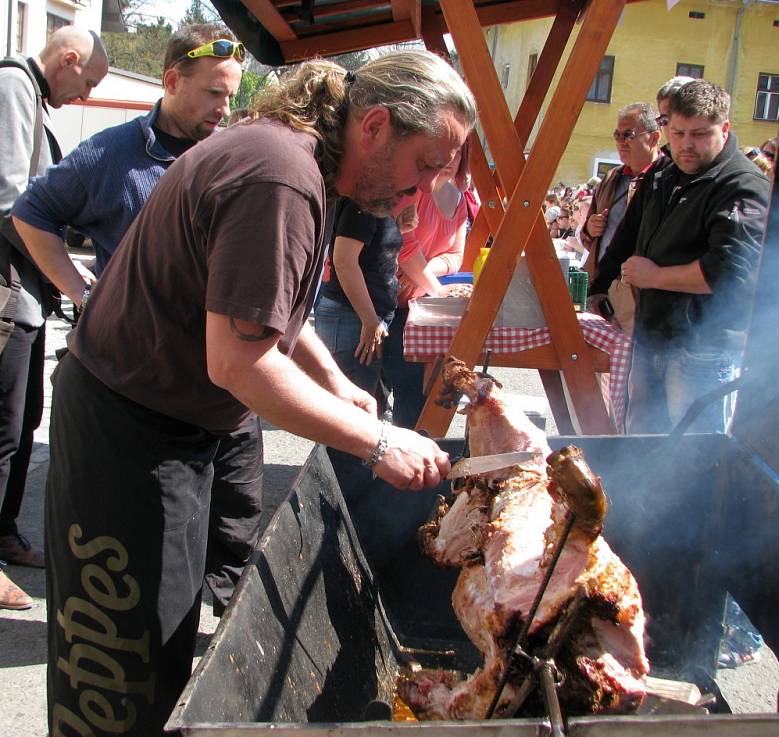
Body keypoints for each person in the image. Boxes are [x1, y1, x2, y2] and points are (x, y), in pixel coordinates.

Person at [19, 50, 474, 736]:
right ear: (374, 126)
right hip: (128, 436)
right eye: (427, 163)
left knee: (161, 656)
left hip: (173, 425)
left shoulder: (303, 165)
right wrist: (378, 439)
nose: (426, 188)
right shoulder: (281, 178)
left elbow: (265, 307)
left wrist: (335, 383)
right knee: (119, 683)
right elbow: (241, 363)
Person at [12, 25, 260, 618]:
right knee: (156, 531)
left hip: (226, 376)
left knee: (235, 519)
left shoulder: (225, 152)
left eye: (231, 96)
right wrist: (77, 288)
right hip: (142, 384)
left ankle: (226, 649)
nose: (222, 110)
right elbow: (30, 211)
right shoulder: (112, 153)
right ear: (172, 80)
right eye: (212, 94)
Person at [587, 80, 769, 434]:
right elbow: (628, 233)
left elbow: (730, 273)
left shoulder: (742, 185)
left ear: (724, 129)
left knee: (695, 453)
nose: (686, 144)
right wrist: (599, 286)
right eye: (679, 132)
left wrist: (654, 277)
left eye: (699, 134)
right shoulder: (664, 174)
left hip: (703, 348)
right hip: (652, 335)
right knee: (642, 442)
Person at [0, 27, 108, 610]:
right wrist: (69, 272)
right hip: (7, 296)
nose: (87, 96)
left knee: (22, 426)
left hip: (26, 296)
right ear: (67, 60)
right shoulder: (12, 86)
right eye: (87, 83)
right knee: (2, 426)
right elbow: (13, 203)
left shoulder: (32, 97)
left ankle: (6, 534)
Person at [382, 144, 470, 429]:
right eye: (446, 149)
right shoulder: (417, 190)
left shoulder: (459, 199)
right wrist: (436, 288)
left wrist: (425, 272)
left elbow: (456, 256)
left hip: (418, 308)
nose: (449, 159)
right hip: (388, 306)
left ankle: (408, 465)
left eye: (457, 152)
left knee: (416, 395)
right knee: (386, 394)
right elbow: (404, 245)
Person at [314, 198, 412, 403]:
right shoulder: (363, 202)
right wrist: (369, 320)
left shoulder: (376, 200)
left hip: (360, 316)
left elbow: (369, 252)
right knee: (349, 411)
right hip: (351, 317)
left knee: (359, 405)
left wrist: (397, 228)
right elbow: (343, 261)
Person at [580, 102, 666, 335]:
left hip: (637, 294)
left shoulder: (665, 179)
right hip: (603, 285)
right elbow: (587, 238)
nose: (620, 141)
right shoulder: (611, 179)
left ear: (654, 137)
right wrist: (590, 228)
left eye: (628, 134)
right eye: (617, 135)